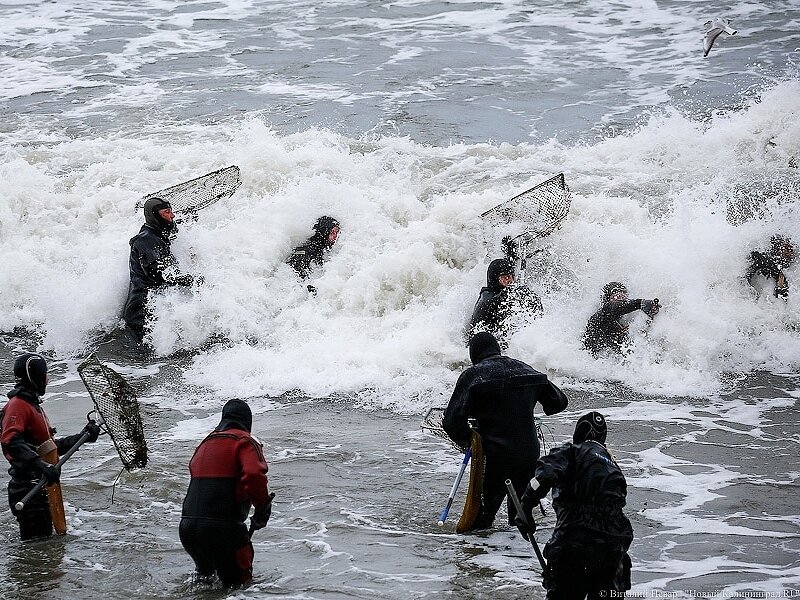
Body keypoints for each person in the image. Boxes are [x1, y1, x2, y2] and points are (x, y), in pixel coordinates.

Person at [443, 332, 568, 531]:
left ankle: (482, 557)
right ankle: (518, 558)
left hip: (495, 456)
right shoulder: (526, 370)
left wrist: (469, 441)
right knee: (520, 516)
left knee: (481, 522)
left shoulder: (474, 375)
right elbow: (559, 402)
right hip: (528, 453)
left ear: (474, 354)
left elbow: (450, 423)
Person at [516, 411, 633, 599]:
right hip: (614, 544)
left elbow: (543, 476)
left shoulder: (572, 451)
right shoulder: (613, 466)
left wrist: (525, 506)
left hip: (575, 541)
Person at [1, 353, 101, 540]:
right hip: (28, 490)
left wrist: (83, 437)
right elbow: (10, 441)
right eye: (45, 374)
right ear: (34, 376)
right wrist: (41, 466)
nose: (48, 379)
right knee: (35, 556)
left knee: (46, 553)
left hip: (40, 488)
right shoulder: (18, 405)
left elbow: (48, 448)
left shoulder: (32, 405)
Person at [179, 399, 274, 587]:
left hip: (188, 529)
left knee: (205, 583)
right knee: (241, 586)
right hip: (223, 529)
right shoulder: (245, 441)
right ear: (247, 422)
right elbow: (254, 475)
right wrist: (263, 508)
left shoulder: (205, 443)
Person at [122, 196, 196, 342]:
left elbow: (172, 231)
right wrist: (188, 280)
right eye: (167, 212)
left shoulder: (156, 231)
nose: (172, 216)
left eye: (171, 211)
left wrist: (187, 221)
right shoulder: (145, 240)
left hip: (152, 305)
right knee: (145, 359)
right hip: (141, 312)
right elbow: (156, 274)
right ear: (155, 216)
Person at [466, 258, 543, 344]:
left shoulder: (507, 295)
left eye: (512, 276)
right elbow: (490, 302)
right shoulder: (486, 296)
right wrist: (509, 292)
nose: (510, 281)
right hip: (480, 347)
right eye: (505, 277)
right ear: (495, 279)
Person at [582, 282, 659, 356]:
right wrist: (640, 303)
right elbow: (613, 307)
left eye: (623, 293)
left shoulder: (623, 320)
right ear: (607, 299)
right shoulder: (601, 314)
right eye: (615, 294)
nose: (621, 296)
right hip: (590, 361)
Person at [287, 216, 341, 281]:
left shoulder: (325, 250)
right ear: (324, 232)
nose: (335, 236)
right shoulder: (308, 250)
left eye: (337, 232)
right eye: (332, 232)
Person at [745, 235, 797, 299]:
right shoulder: (765, 257)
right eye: (787, 249)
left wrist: (780, 287)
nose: (789, 254)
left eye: (791, 250)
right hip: (757, 265)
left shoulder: (788, 270)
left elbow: (783, 301)